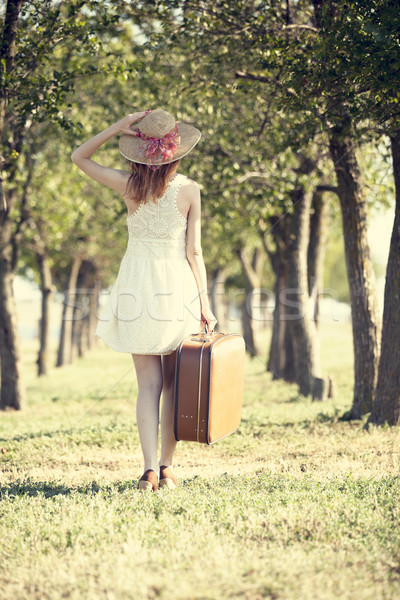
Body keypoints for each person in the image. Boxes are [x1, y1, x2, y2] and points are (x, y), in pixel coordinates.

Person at [71, 108, 216, 492]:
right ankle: (167, 469)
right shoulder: (189, 190)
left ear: (139, 152)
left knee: (147, 385)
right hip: (176, 286)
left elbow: (79, 157)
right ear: (177, 150)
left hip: (136, 283)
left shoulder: (128, 185)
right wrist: (205, 304)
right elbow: (195, 252)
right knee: (172, 384)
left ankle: (148, 469)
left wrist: (114, 127)